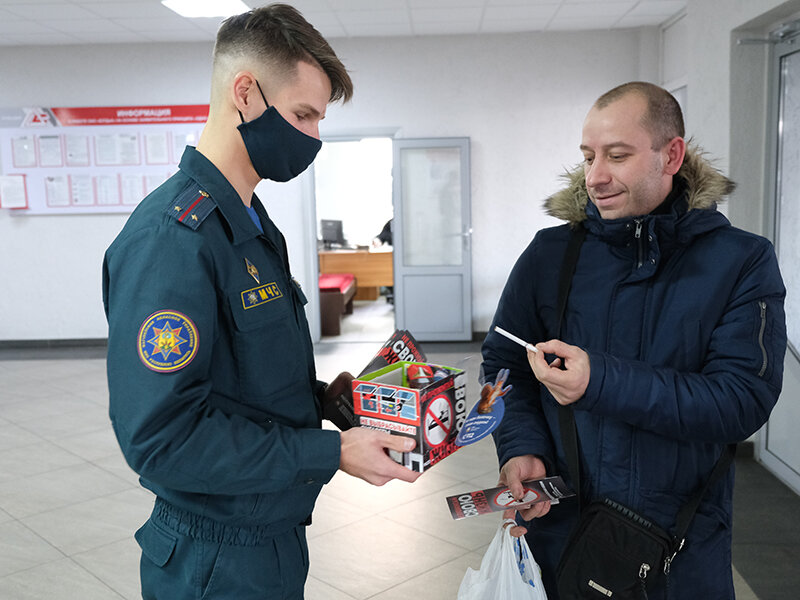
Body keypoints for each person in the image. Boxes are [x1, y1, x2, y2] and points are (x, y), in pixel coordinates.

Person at [102, 5, 419, 599]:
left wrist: (326, 401)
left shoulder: (248, 220)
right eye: (303, 114)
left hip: (269, 530)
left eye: (319, 120)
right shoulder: (173, 240)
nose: (313, 137)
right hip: (215, 553)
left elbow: (243, 375)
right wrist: (329, 450)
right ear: (244, 92)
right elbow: (161, 438)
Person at [481, 81, 787, 599]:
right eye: (587, 157)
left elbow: (741, 402)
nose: (595, 177)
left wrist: (599, 381)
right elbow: (505, 363)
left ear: (672, 155)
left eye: (617, 156)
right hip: (563, 534)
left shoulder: (741, 261)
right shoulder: (550, 254)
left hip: (680, 545)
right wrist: (521, 449)